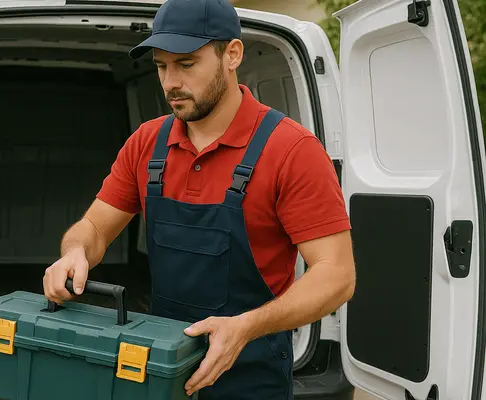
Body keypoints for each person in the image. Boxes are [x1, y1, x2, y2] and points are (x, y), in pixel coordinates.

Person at [42, 0, 356, 398]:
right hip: (161, 369)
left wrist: (245, 327)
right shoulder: (147, 143)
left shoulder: (291, 150)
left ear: (232, 54)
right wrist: (75, 253)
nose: (170, 81)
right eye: (161, 66)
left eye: (186, 64)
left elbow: (336, 275)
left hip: (250, 378)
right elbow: (93, 229)